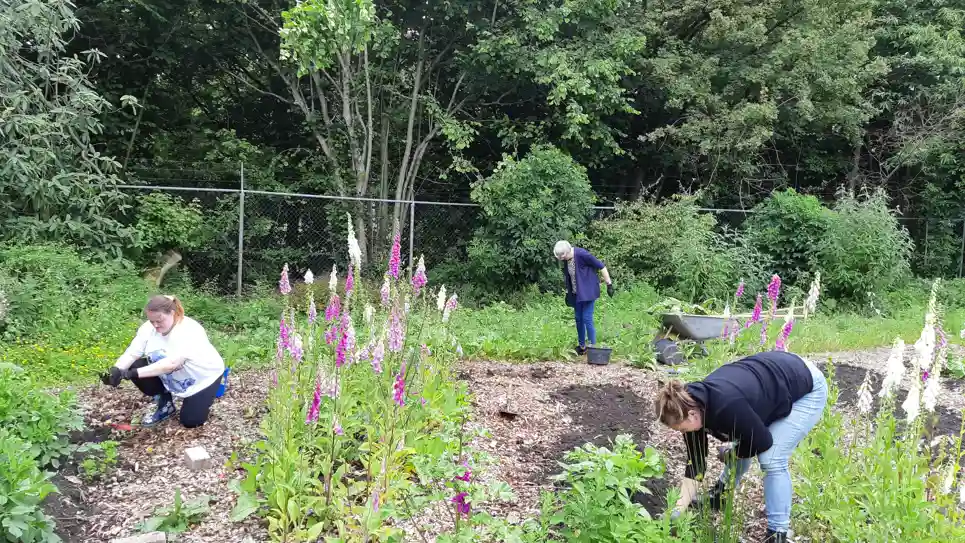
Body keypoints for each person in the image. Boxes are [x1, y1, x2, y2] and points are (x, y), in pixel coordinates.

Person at [654, 350, 828, 543]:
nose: (682, 433)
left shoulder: (726, 406)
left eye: (682, 429)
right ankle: (719, 496)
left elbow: (762, 442)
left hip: (805, 384)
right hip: (770, 380)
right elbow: (696, 464)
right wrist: (677, 510)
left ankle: (778, 533)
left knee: (771, 458)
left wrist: (734, 452)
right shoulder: (687, 405)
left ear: (692, 415)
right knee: (743, 439)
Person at [102, 295, 226, 428]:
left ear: (172, 313)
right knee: (134, 364)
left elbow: (171, 364)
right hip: (172, 375)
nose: (155, 325)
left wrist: (132, 373)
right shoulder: (148, 328)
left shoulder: (190, 331)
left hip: (203, 378)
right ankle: (165, 403)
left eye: (159, 320)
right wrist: (117, 369)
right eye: (151, 321)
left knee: (191, 421)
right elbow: (133, 352)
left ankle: (209, 391)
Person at [553, 240, 614, 355]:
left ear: (566, 252)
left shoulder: (582, 254)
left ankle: (593, 347)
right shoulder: (567, 260)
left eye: (561, 256)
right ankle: (582, 346)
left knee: (587, 318)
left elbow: (601, 266)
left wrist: (609, 284)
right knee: (578, 318)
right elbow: (571, 277)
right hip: (577, 294)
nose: (561, 259)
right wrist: (568, 292)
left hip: (588, 292)